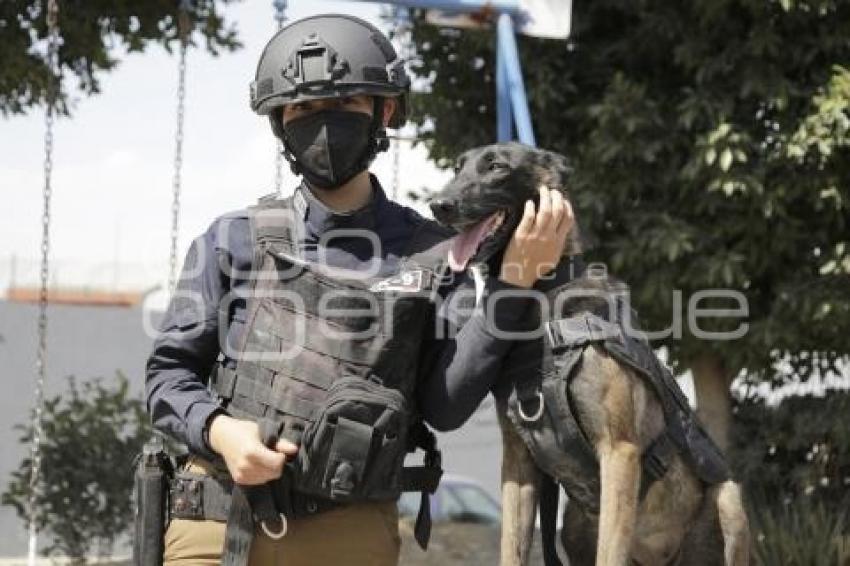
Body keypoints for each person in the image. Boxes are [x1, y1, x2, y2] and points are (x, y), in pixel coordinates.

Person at [145, 13, 573, 566]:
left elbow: (444, 406)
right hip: (219, 521)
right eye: (302, 108)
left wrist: (513, 285)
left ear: (385, 111)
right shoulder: (235, 239)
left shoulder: (436, 252)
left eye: (344, 105)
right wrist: (221, 432)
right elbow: (167, 377)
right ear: (279, 122)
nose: (321, 124)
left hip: (351, 530)